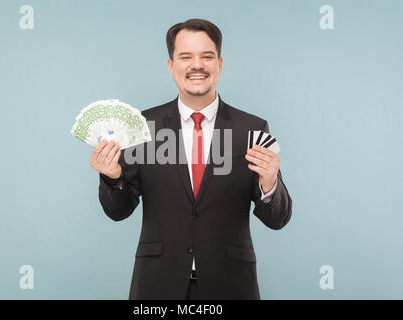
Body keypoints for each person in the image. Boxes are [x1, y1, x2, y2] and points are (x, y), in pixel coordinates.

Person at [90, 18, 292, 300]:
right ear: (171, 66)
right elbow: (118, 211)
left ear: (220, 64)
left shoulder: (252, 129)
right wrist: (113, 178)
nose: (197, 65)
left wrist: (269, 183)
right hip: (158, 286)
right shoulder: (143, 127)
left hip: (231, 285)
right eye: (186, 57)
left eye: (206, 56)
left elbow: (277, 219)